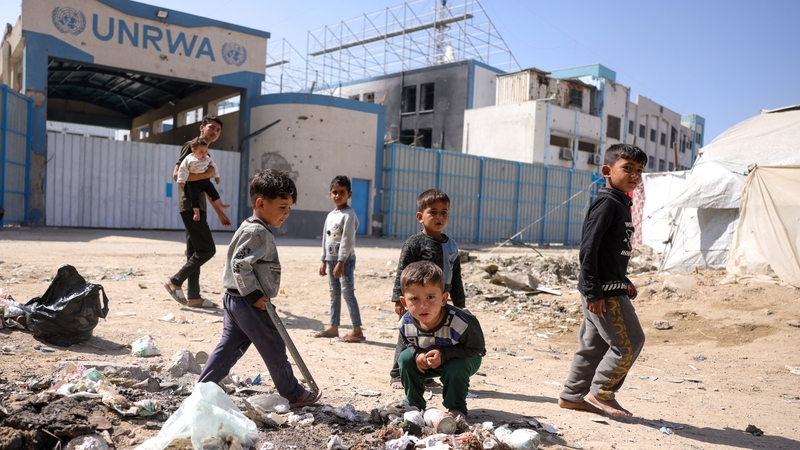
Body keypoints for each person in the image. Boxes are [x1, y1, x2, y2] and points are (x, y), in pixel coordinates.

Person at [198, 169, 323, 408]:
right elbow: (240, 264)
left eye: (289, 208)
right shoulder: (257, 231)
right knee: (274, 345)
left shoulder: (251, 226)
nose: (286, 213)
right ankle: (293, 393)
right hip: (249, 302)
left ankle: (203, 387)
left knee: (229, 346)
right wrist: (255, 295)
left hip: (235, 298)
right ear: (260, 203)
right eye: (282, 207)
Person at [558, 143, 648, 418]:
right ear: (607, 171)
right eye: (628, 168)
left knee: (593, 346)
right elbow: (589, 249)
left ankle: (572, 396)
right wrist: (593, 292)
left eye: (639, 170)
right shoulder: (608, 203)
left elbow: (610, 253)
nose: (635, 175)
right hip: (603, 293)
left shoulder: (620, 203)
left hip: (607, 286)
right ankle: (602, 392)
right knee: (630, 342)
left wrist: (624, 279)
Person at [389, 189, 465, 389]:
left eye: (444, 212)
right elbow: (402, 271)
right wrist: (399, 299)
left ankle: (425, 375)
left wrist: (460, 303)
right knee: (408, 334)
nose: (439, 217)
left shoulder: (451, 245)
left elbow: (456, 276)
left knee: (434, 336)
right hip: (417, 299)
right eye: (433, 212)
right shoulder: (414, 244)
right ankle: (397, 374)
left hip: (439, 299)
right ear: (420, 217)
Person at [397, 260, 484, 419]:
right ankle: (414, 403)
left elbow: (476, 348)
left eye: (430, 297)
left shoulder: (460, 322)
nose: (423, 305)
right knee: (405, 358)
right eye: (414, 299)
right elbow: (409, 342)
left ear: (444, 298)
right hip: (429, 359)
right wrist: (417, 354)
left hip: (465, 359)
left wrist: (444, 355)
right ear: (404, 302)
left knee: (456, 366)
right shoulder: (405, 323)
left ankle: (456, 407)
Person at [164, 115, 231, 309]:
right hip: (190, 205)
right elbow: (177, 175)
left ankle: (194, 297)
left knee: (194, 252)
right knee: (207, 249)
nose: (215, 132)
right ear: (202, 128)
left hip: (199, 206)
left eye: (218, 130)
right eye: (212, 127)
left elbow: (204, 185)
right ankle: (175, 281)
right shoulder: (191, 146)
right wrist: (208, 173)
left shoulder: (205, 153)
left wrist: (219, 211)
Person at [314, 175, 364, 342]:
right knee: (334, 293)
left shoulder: (349, 214)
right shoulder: (330, 215)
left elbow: (347, 239)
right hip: (331, 260)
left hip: (345, 261)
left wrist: (341, 261)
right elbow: (325, 238)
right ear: (330, 194)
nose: (338, 195)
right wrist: (323, 260)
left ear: (349, 194)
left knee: (347, 293)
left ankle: (357, 329)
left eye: (342, 192)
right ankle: (333, 327)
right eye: (334, 192)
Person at [176, 137, 230, 222]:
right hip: (193, 183)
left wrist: (217, 177)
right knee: (194, 198)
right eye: (201, 152)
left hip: (205, 181)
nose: (204, 154)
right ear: (193, 150)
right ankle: (196, 213)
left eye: (206, 151)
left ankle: (220, 205)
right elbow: (183, 169)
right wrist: (181, 180)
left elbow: (214, 167)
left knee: (213, 192)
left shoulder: (207, 158)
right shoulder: (189, 159)